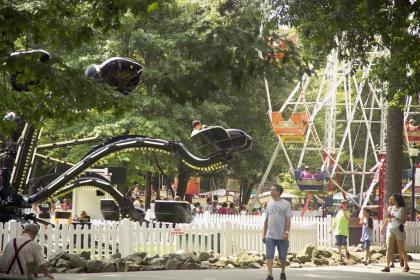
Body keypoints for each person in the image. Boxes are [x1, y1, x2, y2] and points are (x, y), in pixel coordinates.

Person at [262, 184, 292, 280]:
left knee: (282, 257)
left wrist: (286, 232)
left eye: (273, 190)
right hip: (270, 236)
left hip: (282, 236)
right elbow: (266, 220)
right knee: (269, 256)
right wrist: (264, 234)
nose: (271, 191)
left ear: (278, 192)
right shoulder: (269, 204)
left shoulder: (286, 204)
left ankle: (282, 272)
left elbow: (288, 219)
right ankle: (270, 275)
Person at [381, 193, 410, 272]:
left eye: (392, 199)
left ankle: (406, 265)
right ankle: (387, 266)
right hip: (390, 229)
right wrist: (383, 227)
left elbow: (403, 221)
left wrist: (394, 217)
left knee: (401, 248)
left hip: (398, 229)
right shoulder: (390, 208)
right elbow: (388, 219)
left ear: (396, 200)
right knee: (389, 247)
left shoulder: (402, 209)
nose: (391, 200)